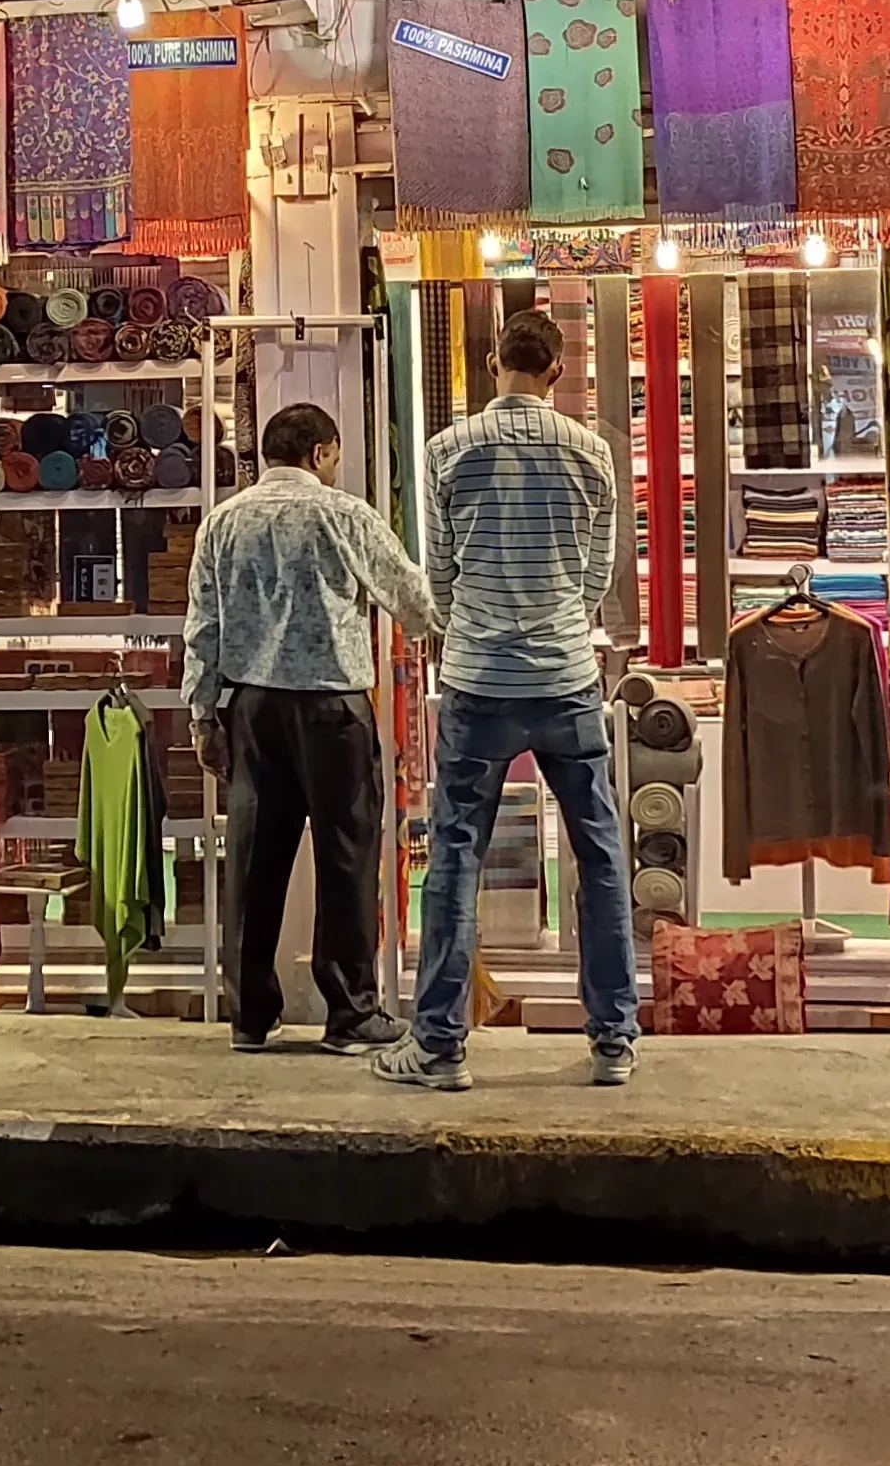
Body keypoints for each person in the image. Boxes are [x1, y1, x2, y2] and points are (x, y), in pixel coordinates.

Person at [376, 306, 633, 1094]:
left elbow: (439, 575)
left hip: (479, 680)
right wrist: (557, 620)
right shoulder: (592, 453)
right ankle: (613, 1042)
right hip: (565, 680)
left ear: (494, 363)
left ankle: (441, 1047)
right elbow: (598, 575)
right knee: (601, 858)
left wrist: (470, 630)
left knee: (454, 858)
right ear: (557, 372)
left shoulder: (447, 451)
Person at [184, 401, 440, 1055]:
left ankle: (250, 1015)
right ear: (322, 452)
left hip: (252, 709)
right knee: (346, 857)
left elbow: (203, 627)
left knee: (252, 860)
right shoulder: (343, 513)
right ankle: (350, 1013)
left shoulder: (223, 522)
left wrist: (203, 715)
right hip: (332, 709)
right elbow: (411, 596)